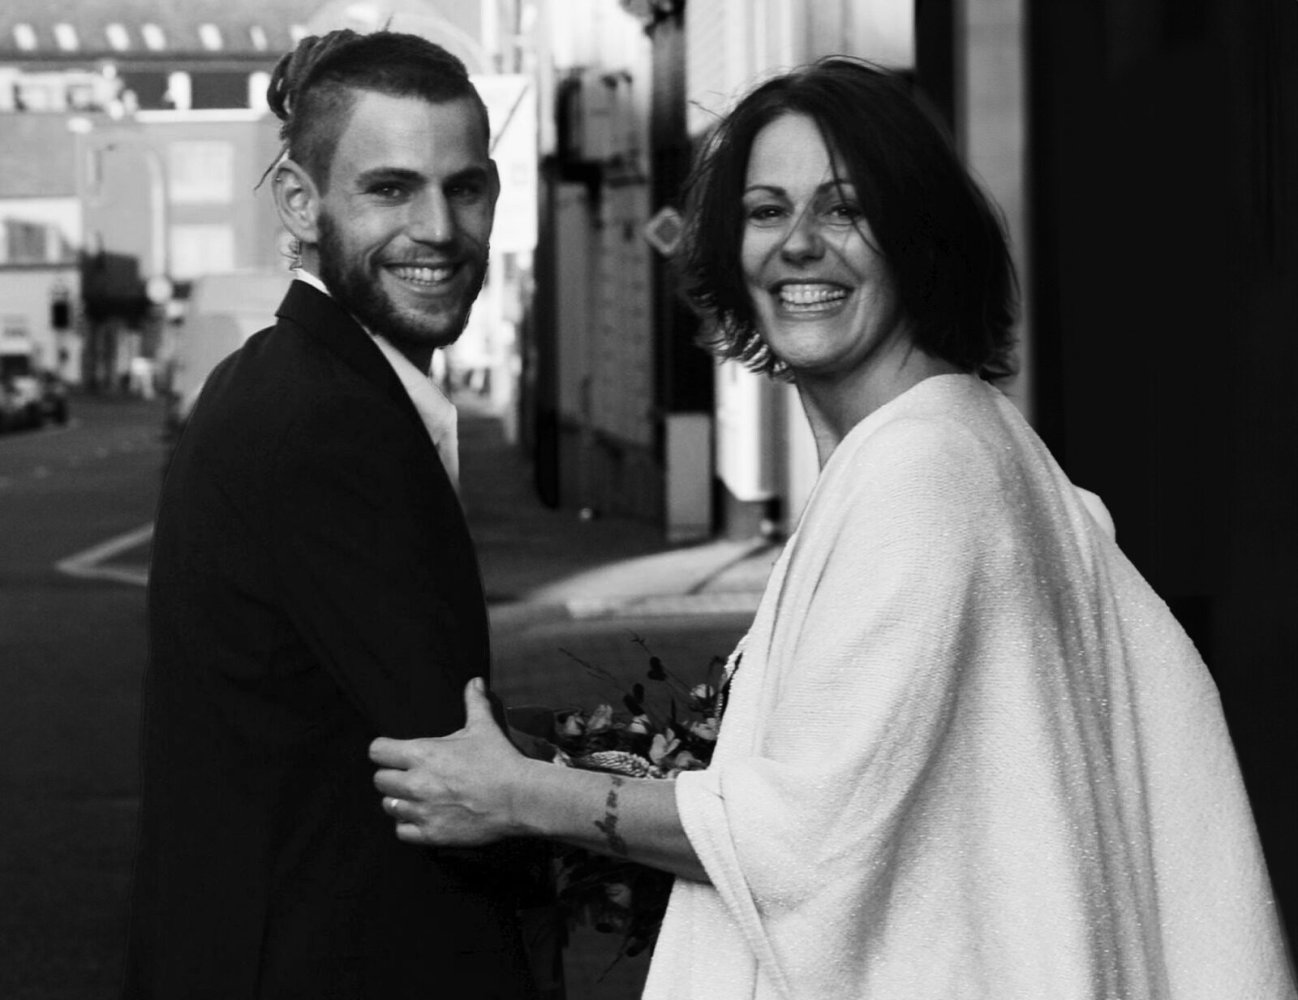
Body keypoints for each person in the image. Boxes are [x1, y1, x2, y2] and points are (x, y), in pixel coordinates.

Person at [369, 58, 1297, 998]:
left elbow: (802, 841)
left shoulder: (923, 478)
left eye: (845, 209)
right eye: (767, 211)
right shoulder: (967, 444)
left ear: (920, 239)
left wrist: (519, 795)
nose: (800, 244)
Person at [122, 29, 543, 999]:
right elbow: (450, 763)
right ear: (300, 203)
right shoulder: (327, 422)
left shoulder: (292, 382)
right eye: (389, 189)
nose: (438, 228)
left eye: (465, 187)